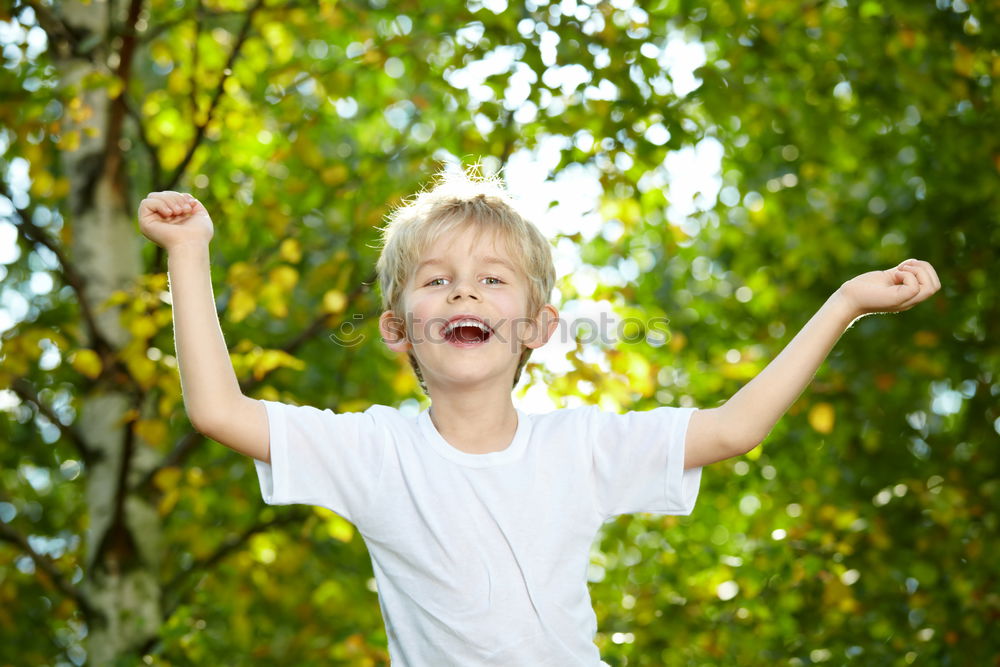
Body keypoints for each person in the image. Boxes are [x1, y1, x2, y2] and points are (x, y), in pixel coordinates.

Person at [137, 165, 940, 665]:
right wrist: (189, 251)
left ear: (538, 327)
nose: (463, 293)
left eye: (493, 281)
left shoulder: (581, 446)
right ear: (395, 327)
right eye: (437, 280)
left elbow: (733, 428)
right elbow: (217, 407)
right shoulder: (374, 450)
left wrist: (844, 304)